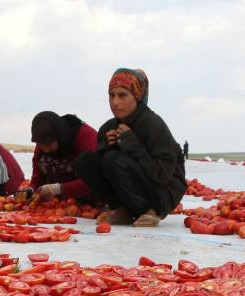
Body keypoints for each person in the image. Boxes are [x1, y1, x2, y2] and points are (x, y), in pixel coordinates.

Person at [76, 68, 186, 227]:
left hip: (162, 194)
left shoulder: (153, 125)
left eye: (122, 95)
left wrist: (132, 144)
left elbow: (162, 175)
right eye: (111, 95)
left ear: (137, 96)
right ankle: (122, 210)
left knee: (114, 159)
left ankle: (150, 211)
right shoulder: (108, 127)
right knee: (86, 160)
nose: (115, 102)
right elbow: (102, 169)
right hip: (132, 188)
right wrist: (107, 146)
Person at [27, 111, 98, 202]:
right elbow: (37, 171)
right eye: (40, 145)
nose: (45, 150)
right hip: (58, 199)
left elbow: (94, 179)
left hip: (89, 187)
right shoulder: (44, 140)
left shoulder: (87, 136)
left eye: (49, 145)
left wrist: (58, 189)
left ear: (60, 137)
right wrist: (31, 189)